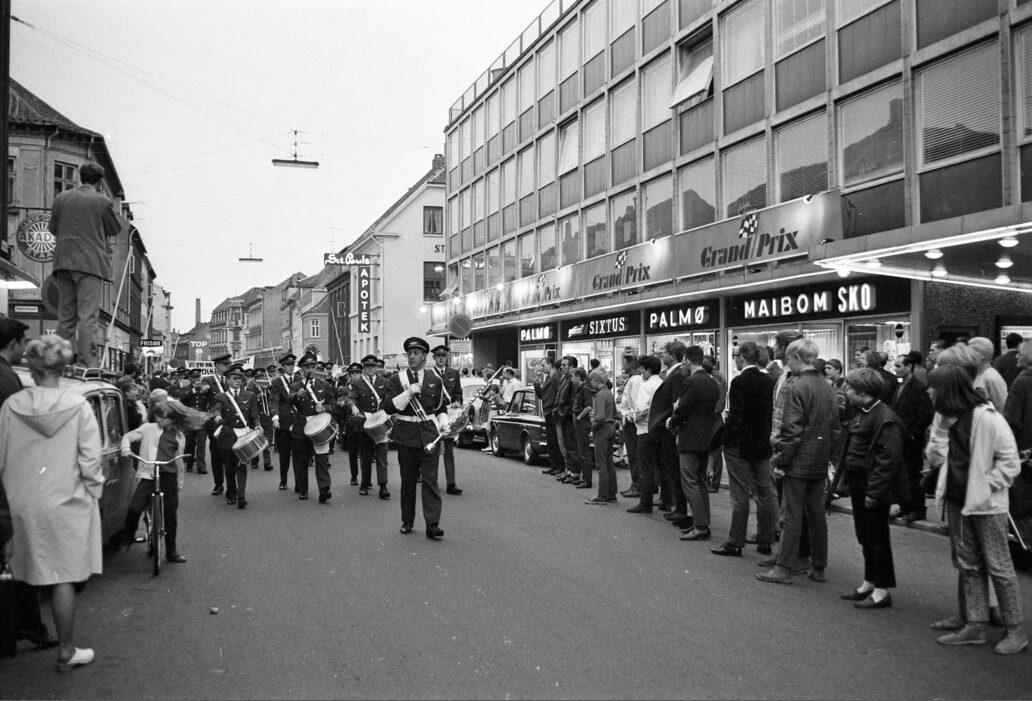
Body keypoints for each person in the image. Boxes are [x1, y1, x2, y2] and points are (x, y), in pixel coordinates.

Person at [0, 336, 102, 670]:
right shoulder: (79, 407)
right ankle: (66, 650)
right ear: (64, 368)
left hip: (20, 501)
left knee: (16, 569)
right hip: (66, 501)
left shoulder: (11, 406)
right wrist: (94, 491)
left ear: (30, 367)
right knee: (63, 575)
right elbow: (91, 461)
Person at [924, 364, 1028, 654]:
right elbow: (935, 458)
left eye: (933, 387)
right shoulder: (946, 418)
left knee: (999, 567)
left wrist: (984, 486)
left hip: (987, 506)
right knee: (969, 565)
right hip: (958, 501)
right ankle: (975, 625)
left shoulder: (988, 418)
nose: (929, 391)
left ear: (947, 390)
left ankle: (1016, 631)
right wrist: (939, 431)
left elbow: (1010, 462)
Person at [0, 319, 60, 658]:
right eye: (22, 342)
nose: (24, 348)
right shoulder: (8, 379)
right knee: (18, 555)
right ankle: (23, 627)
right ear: (12, 344)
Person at [758, 338, 837, 585]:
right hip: (819, 459)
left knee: (791, 515)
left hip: (798, 460)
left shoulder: (797, 386)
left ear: (797, 358)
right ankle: (818, 566)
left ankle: (784, 567)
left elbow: (792, 431)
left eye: (789, 359)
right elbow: (834, 427)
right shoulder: (827, 386)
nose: (788, 364)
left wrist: (780, 461)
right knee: (816, 515)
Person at [838, 369, 906, 609]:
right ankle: (869, 582)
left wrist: (874, 493)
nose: (846, 392)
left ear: (863, 391)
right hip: (860, 483)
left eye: (849, 388)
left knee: (877, 538)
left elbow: (887, 459)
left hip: (872, 486)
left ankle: (881, 590)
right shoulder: (864, 413)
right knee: (865, 536)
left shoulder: (884, 417)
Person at [48, 162, 122, 368]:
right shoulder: (101, 201)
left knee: (65, 317)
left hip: (63, 262)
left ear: (80, 177)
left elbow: (53, 228)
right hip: (90, 264)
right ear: (100, 182)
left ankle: (57, 361)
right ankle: (85, 363)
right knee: (87, 317)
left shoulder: (61, 198)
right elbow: (114, 229)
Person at [114, 399, 206, 562]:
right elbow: (128, 437)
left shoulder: (179, 435)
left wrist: (180, 479)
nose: (159, 420)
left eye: (164, 418)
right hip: (148, 475)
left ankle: (171, 552)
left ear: (173, 419)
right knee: (135, 507)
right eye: (158, 417)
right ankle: (128, 537)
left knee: (170, 515)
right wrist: (126, 449)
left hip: (169, 475)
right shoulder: (148, 428)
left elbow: (179, 460)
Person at [711, 342, 776, 557]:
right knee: (764, 492)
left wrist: (723, 438)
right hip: (762, 442)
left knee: (739, 494)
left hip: (740, 443)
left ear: (741, 358)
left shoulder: (739, 382)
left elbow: (736, 415)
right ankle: (765, 539)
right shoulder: (768, 381)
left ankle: (735, 541)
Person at [380, 337, 449, 539]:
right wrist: (408, 393)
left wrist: (444, 423)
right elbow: (388, 407)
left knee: (430, 480)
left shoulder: (435, 380)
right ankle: (407, 520)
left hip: (429, 435)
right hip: (406, 435)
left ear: (424, 356)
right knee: (408, 481)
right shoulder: (397, 380)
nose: (412, 357)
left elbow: (440, 408)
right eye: (409, 353)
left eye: (416, 353)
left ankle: (432, 524)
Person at [667, 345, 720, 541]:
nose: (682, 365)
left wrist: (672, 421)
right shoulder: (712, 382)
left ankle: (700, 526)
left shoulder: (691, 381)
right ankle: (703, 521)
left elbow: (683, 409)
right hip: (706, 437)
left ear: (688, 361)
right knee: (701, 481)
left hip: (689, 437)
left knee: (689, 482)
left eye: (683, 362)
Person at [210, 364, 262, 508]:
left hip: (243, 434)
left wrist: (258, 425)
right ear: (227, 380)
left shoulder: (249, 395)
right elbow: (217, 409)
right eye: (235, 378)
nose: (238, 381)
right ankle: (231, 492)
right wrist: (217, 417)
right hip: (228, 435)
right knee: (229, 466)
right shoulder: (221, 396)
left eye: (240, 378)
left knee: (242, 465)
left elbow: (254, 414)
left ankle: (241, 496)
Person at [892, 351, 934, 523]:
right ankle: (905, 505)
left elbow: (925, 414)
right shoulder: (900, 385)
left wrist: (913, 434)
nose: (895, 369)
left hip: (911, 439)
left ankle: (917, 508)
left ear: (909, 366)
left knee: (913, 474)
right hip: (900, 437)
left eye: (898, 366)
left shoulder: (918, 387)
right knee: (902, 475)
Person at [651, 342, 689, 527]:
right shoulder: (671, 374)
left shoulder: (677, 375)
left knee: (675, 470)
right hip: (666, 428)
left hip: (670, 429)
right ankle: (676, 505)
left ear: (673, 356)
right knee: (670, 469)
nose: (661, 355)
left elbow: (676, 403)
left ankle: (680, 508)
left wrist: (670, 424)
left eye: (664, 353)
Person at [289, 353, 336, 503]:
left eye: (313, 367)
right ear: (301, 370)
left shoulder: (324, 385)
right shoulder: (296, 386)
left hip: (320, 425)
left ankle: (324, 489)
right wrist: (298, 395)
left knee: (322, 459)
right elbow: (290, 400)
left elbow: (333, 405)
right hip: (302, 426)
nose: (310, 370)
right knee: (301, 460)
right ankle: (303, 489)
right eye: (307, 367)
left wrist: (325, 408)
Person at [346, 354, 391, 499]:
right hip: (365, 423)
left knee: (382, 456)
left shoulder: (385, 382)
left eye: (373, 366)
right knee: (366, 455)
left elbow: (389, 399)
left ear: (377, 367)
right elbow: (351, 397)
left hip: (381, 422)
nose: (370, 368)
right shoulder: (357, 383)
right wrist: (353, 407)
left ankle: (383, 486)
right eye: (367, 366)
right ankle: (365, 484)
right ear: (364, 368)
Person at [626, 355, 664, 514]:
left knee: (646, 468)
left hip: (645, 429)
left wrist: (632, 417)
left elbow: (641, 410)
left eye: (642, 368)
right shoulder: (662, 383)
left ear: (648, 369)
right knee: (661, 466)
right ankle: (666, 499)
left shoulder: (645, 386)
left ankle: (645, 502)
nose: (640, 371)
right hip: (660, 430)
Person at [429, 345, 463, 495]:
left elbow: (458, 393)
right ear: (434, 358)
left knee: (449, 449)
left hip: (449, 414)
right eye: (438, 356)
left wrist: (458, 402)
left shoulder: (453, 373)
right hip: (434, 415)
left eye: (443, 356)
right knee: (434, 449)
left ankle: (451, 483)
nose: (441, 358)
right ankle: (432, 481)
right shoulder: (429, 373)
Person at [202, 354, 233, 496]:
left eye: (229, 364)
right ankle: (218, 484)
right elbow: (202, 391)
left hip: (230, 420)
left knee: (230, 455)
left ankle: (231, 486)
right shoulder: (208, 380)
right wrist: (204, 389)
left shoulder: (231, 378)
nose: (228, 366)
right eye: (226, 364)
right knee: (216, 454)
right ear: (218, 365)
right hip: (215, 422)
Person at [585, 373, 618, 504]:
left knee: (601, 463)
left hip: (602, 430)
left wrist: (592, 425)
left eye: (591, 382)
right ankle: (611, 493)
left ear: (597, 381)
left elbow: (600, 417)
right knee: (609, 462)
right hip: (611, 428)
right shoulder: (609, 393)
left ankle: (602, 495)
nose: (590, 384)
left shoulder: (599, 395)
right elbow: (614, 413)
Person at [269, 353, 301, 491]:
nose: (291, 367)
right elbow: (274, 401)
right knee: (284, 454)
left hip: (298, 422)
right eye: (288, 365)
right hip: (284, 422)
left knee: (299, 455)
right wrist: (275, 418)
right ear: (282, 366)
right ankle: (283, 480)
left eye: (292, 364)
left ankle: (299, 482)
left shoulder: (300, 379)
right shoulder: (277, 382)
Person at [533, 357, 565, 477]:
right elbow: (541, 395)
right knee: (551, 439)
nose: (542, 368)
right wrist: (537, 385)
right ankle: (554, 465)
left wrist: (556, 409)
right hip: (547, 410)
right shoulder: (548, 378)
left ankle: (559, 465)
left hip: (552, 411)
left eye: (543, 365)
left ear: (550, 365)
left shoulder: (556, 378)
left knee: (555, 439)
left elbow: (558, 395)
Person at [617, 355, 642, 498]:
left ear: (631, 364)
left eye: (624, 363)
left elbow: (635, 403)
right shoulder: (632, 379)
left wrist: (628, 415)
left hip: (632, 422)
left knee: (634, 454)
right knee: (633, 454)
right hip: (628, 419)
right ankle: (636, 483)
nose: (623, 366)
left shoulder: (635, 380)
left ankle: (638, 484)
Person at [555, 356, 581, 484]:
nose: (561, 367)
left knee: (572, 445)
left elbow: (574, 400)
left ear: (572, 367)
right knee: (566, 444)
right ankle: (569, 470)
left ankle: (575, 472)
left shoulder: (573, 381)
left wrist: (565, 411)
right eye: (562, 365)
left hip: (569, 417)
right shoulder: (565, 379)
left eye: (564, 365)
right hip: (563, 416)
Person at [969, 337, 1009, 411]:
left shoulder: (991, 378)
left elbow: (1003, 407)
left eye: (970, 353)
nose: (966, 356)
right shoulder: (976, 374)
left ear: (982, 356)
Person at [570, 368, 594, 490]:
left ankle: (587, 480)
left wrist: (579, 417)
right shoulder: (579, 389)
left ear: (579, 376)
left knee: (584, 451)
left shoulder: (585, 389)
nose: (572, 379)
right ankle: (584, 477)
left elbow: (588, 406)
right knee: (581, 450)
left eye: (573, 376)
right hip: (578, 420)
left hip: (582, 422)